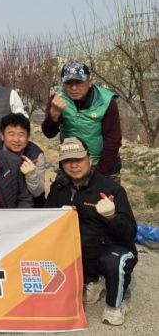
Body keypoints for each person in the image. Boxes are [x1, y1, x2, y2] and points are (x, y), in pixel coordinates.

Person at [46, 137, 137, 326]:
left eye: (78, 159)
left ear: (89, 159)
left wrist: (112, 217)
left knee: (115, 260)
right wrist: (57, 215)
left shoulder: (111, 188)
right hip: (80, 250)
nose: (73, 165)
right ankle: (92, 281)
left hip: (109, 248)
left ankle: (117, 303)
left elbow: (130, 233)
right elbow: (46, 219)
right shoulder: (59, 186)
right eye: (68, 161)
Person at [41, 61, 122, 181]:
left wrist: (99, 176)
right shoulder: (57, 99)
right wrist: (54, 113)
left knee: (104, 193)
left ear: (90, 82)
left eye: (79, 82)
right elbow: (48, 133)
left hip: (101, 165)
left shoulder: (106, 101)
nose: (74, 88)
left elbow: (113, 140)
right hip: (70, 164)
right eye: (69, 83)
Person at [0, 113, 47, 207]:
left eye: (21, 135)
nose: (16, 140)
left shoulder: (36, 155)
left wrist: (31, 174)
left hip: (31, 204)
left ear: (28, 137)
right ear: (2, 136)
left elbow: (38, 192)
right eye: (11, 134)